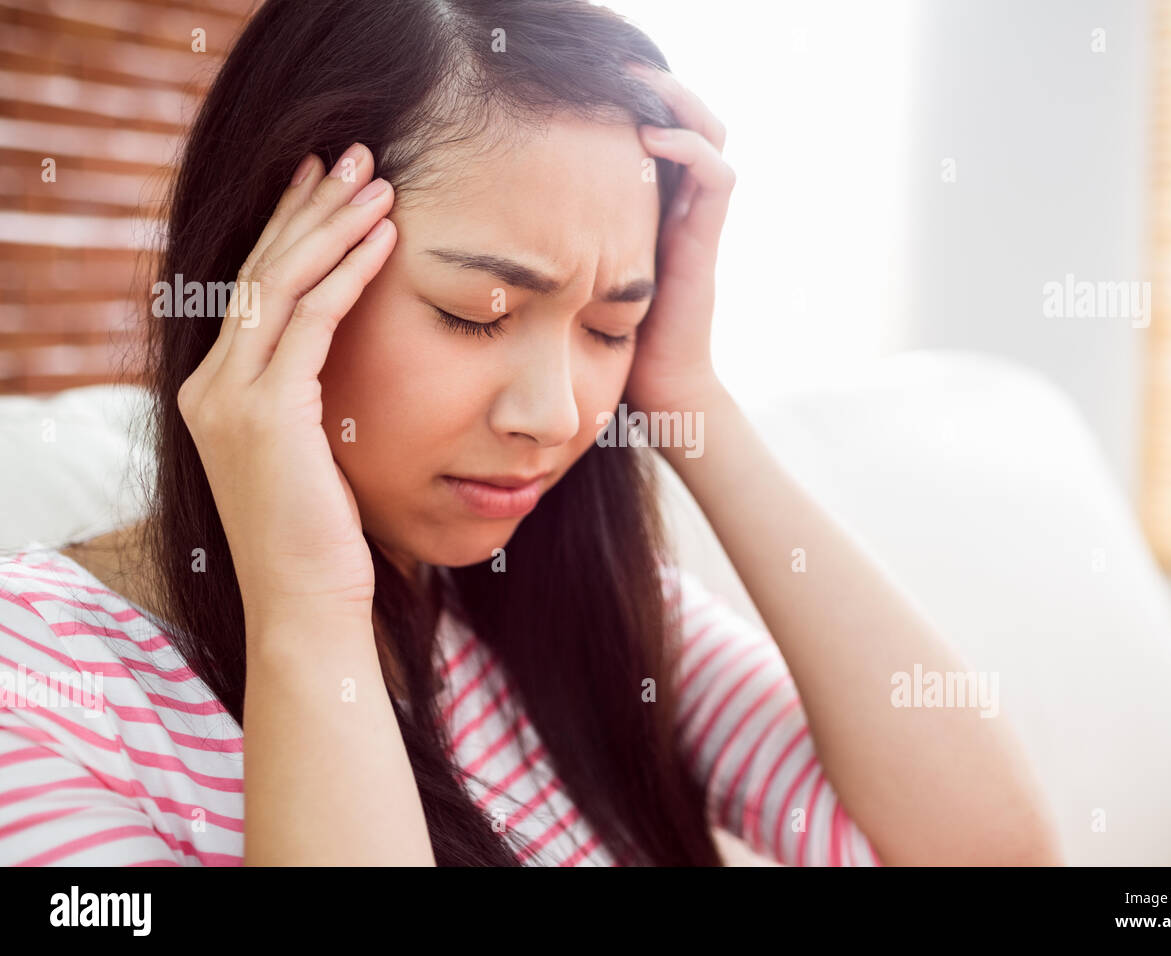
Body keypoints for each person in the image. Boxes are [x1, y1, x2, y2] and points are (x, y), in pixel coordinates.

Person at [0, 0, 1062, 866]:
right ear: (268, 276)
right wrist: (308, 603)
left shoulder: (565, 603)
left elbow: (990, 854)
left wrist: (687, 388)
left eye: (610, 324)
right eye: (478, 314)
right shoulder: (38, 687)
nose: (557, 416)